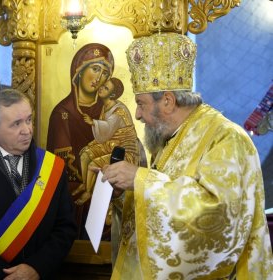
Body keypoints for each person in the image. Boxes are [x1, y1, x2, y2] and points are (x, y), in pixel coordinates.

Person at [102, 32, 273, 278]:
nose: (137, 114)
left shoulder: (226, 138)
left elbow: (219, 217)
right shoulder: (169, 137)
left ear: (168, 101)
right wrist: (123, 191)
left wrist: (140, 179)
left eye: (141, 104)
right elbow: (158, 208)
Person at [0, 89, 77, 279]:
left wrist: (36, 267)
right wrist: (3, 274)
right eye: (16, 124)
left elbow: (65, 227)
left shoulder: (51, 166)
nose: (27, 130)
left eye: (29, 120)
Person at [46, 43, 115, 238]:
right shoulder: (62, 113)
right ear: (78, 71)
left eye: (104, 73)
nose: (99, 78)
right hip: (76, 193)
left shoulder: (108, 111)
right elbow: (63, 164)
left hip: (108, 186)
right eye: (95, 69)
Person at [73, 78, 140, 205]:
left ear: (113, 94)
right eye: (103, 86)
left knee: (93, 164)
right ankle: (84, 184)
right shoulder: (106, 106)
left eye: (106, 88)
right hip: (111, 144)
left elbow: (108, 128)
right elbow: (106, 135)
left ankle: (88, 192)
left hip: (124, 151)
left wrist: (93, 122)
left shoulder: (119, 110)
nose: (101, 88)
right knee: (85, 154)